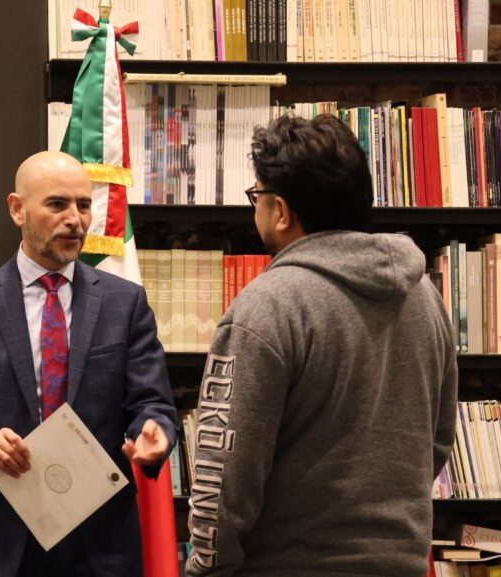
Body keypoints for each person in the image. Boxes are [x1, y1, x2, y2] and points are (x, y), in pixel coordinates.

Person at [186, 115, 458, 577]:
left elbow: (225, 474)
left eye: (256, 196)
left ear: (281, 211)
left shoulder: (267, 306)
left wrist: (207, 569)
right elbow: (438, 439)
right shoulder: (425, 296)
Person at [0, 150, 179, 577]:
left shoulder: (124, 303)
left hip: (100, 545)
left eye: (84, 205)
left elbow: (154, 405)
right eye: (57, 204)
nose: (75, 219)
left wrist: (155, 434)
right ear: (17, 209)